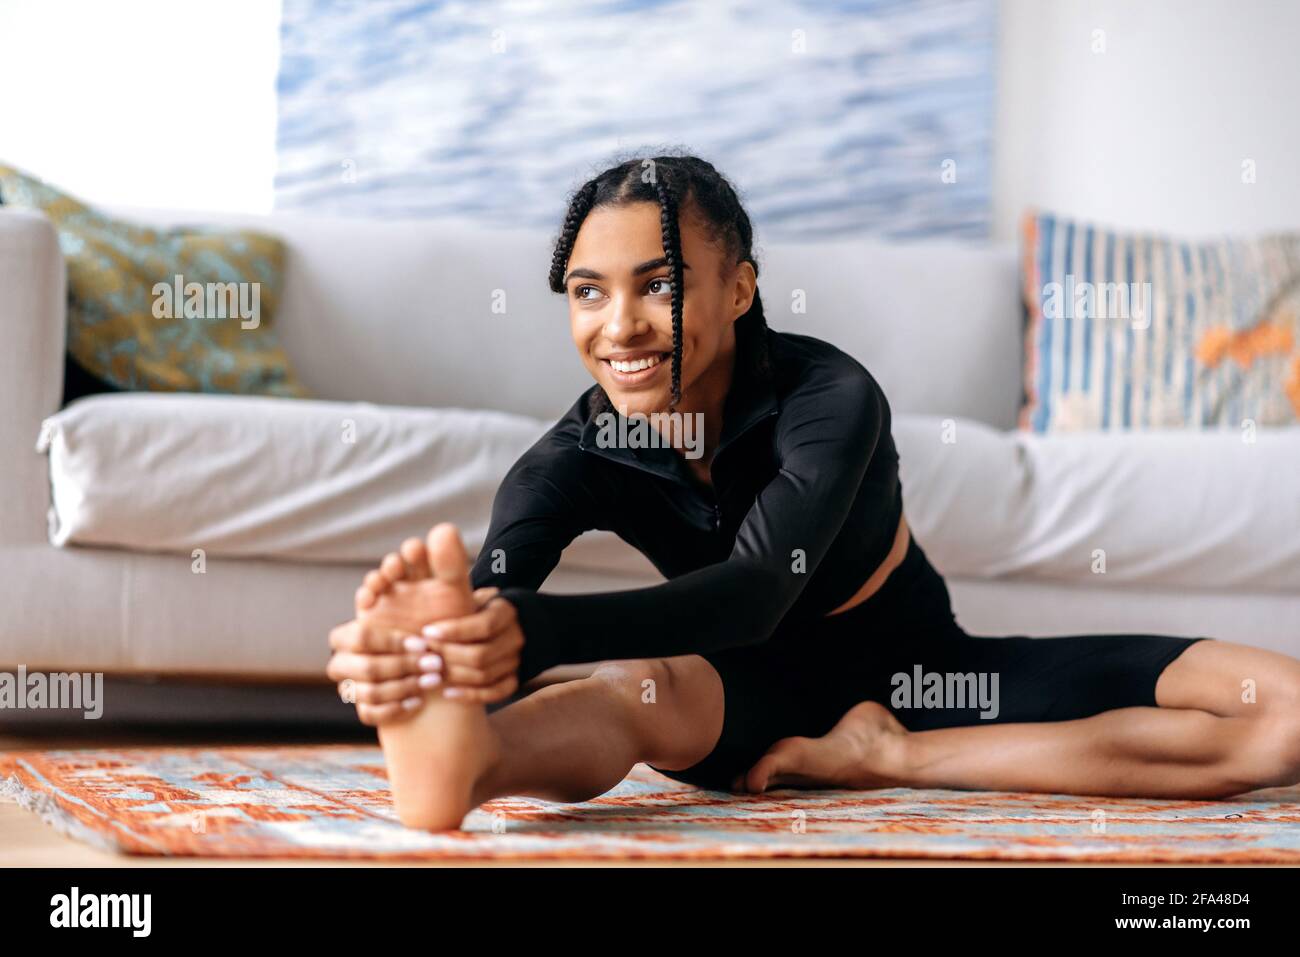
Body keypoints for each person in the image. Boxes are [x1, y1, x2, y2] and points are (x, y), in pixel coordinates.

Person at [327, 154, 1300, 830]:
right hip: (745, 701)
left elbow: (757, 592)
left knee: (1284, 713)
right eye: (587, 290)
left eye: (657, 284)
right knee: (635, 691)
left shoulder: (829, 396)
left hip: (928, 680)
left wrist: (532, 631)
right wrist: (438, 649)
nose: (617, 325)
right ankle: (468, 763)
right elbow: (501, 595)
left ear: (739, 289)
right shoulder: (571, 455)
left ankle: (890, 760)